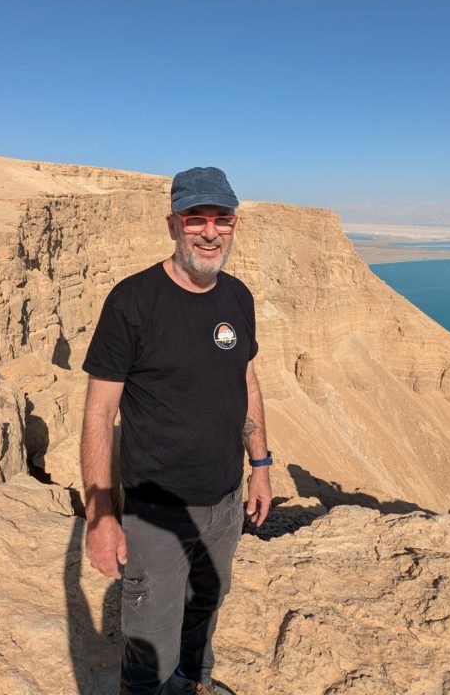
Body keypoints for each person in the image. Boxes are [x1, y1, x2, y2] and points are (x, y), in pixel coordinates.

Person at [81, 166, 272, 695]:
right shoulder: (132, 302)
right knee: (150, 642)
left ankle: (194, 684)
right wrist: (101, 517)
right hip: (157, 512)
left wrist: (259, 466)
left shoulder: (238, 298)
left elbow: (246, 382)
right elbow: (98, 414)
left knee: (206, 605)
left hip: (225, 501)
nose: (210, 232)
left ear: (234, 225)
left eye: (221, 219)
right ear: (173, 224)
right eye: (195, 219)